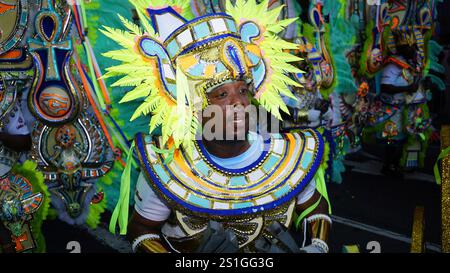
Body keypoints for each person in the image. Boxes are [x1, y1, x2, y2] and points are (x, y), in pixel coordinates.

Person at [106, 0, 331, 253]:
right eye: (221, 95)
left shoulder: (285, 154)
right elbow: (143, 229)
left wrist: (318, 245)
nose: (239, 103)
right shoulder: (169, 165)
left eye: (243, 90)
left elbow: (316, 208)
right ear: (194, 108)